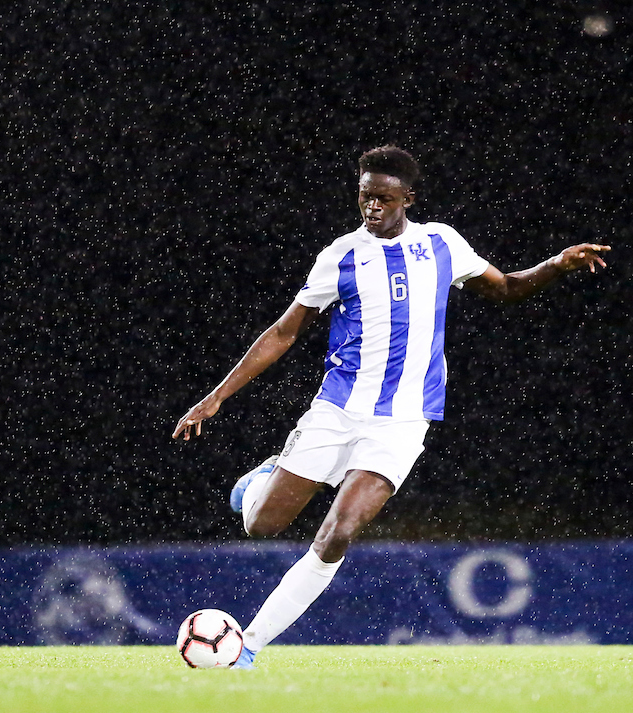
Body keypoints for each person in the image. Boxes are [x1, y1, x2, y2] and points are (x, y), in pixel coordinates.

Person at [171, 145, 609, 669]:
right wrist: (215, 398)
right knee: (262, 525)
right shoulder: (341, 255)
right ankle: (263, 477)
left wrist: (557, 264)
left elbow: (507, 288)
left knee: (340, 531)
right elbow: (285, 332)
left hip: (403, 421)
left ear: (408, 198)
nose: (372, 207)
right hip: (337, 411)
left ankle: (251, 645)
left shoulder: (442, 243)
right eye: (364, 197)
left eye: (383, 198)